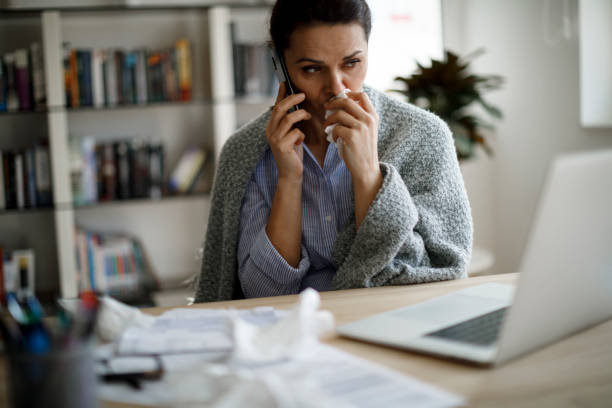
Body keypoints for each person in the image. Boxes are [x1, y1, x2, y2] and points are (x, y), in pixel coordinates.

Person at [194, 0, 472, 302]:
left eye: (352, 63)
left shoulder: (422, 137)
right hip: (289, 336)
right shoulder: (245, 154)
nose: (336, 87)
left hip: (390, 322)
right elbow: (263, 296)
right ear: (280, 65)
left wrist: (368, 174)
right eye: (312, 69)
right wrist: (289, 178)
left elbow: (429, 277)